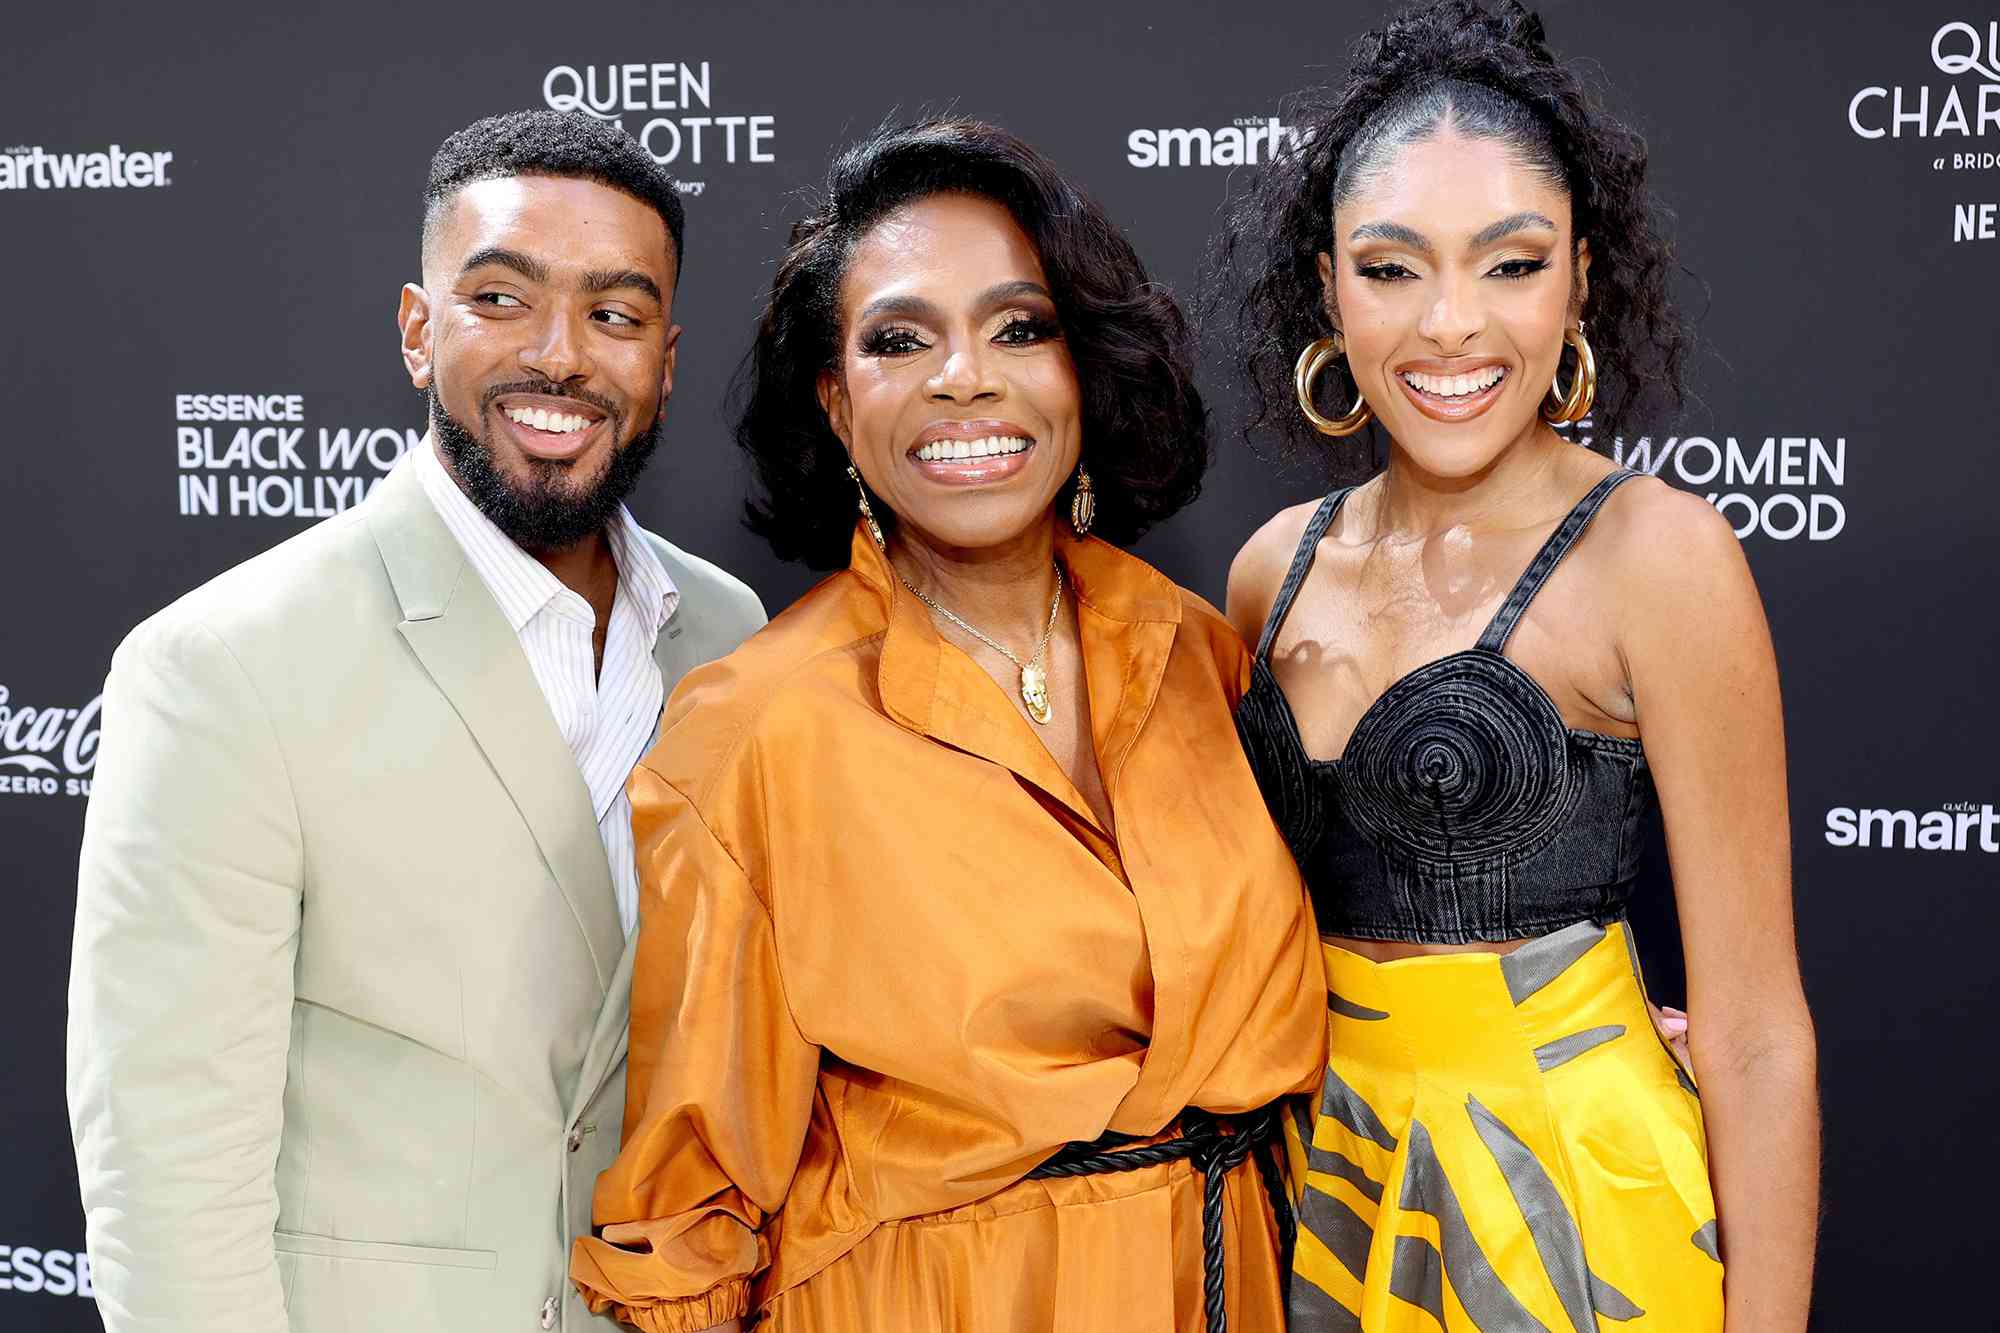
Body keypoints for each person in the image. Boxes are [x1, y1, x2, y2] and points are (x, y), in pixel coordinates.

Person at [568, 118, 1324, 1333]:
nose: (963, 376)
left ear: (1083, 366)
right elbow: (691, 1195)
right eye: (899, 340)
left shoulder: (1198, 652)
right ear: (835, 397)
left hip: (1225, 1280)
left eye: (1019, 328)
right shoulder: (757, 729)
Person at [68, 109, 765, 1332]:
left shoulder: (728, 632)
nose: (560, 356)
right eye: (502, 298)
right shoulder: (221, 666)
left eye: (615, 313)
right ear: (415, 328)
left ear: (663, 358)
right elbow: (166, 1175)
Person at [1220, 3, 1820, 1329]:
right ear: (1327, 284)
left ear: (1580, 280)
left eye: (1509, 264)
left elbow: (1761, 1033)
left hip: (1578, 1207)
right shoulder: (1269, 569)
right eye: (1392, 269)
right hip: (1326, 1188)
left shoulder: (1657, 561)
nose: (1450, 328)